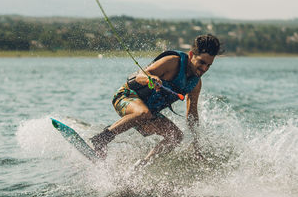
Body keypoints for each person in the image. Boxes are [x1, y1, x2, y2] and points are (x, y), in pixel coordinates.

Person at [90, 34, 221, 165]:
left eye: (209, 65)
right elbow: (140, 76)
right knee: (143, 112)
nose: (204, 69)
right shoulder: (172, 62)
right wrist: (150, 78)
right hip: (126, 98)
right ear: (192, 55)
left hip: (148, 115)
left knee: (176, 137)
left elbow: (192, 115)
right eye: (202, 62)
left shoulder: (195, 84)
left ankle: (142, 165)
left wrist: (196, 146)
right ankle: (101, 139)